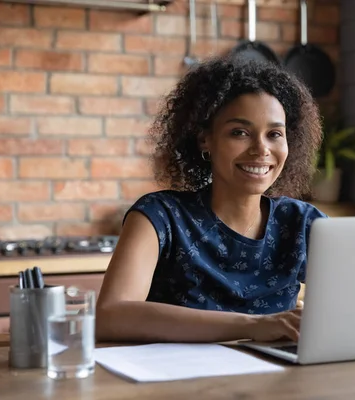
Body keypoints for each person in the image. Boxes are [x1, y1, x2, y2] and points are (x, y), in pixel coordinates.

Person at [96, 56, 327, 344]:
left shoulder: (303, 223)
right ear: (206, 140)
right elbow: (110, 315)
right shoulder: (159, 217)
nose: (261, 149)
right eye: (239, 132)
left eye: (274, 134)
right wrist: (252, 325)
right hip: (178, 381)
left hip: (277, 380)